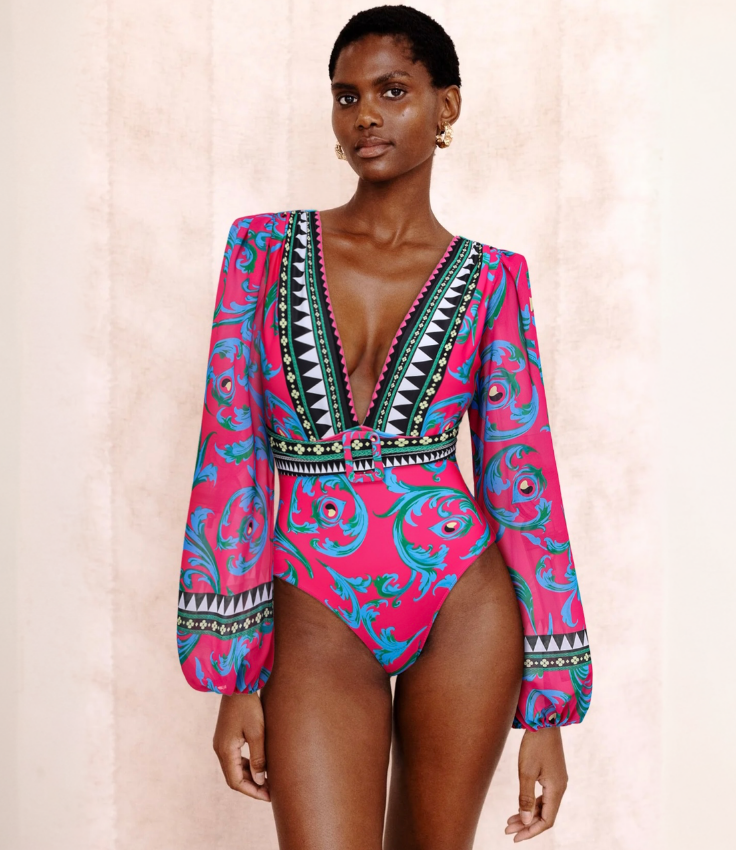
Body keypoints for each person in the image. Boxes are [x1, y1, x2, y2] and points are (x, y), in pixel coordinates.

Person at [176, 5, 592, 848]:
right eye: (347, 96)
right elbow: (231, 455)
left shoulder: (493, 279)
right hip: (312, 602)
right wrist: (234, 675)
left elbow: (522, 482)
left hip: (464, 603)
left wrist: (547, 712)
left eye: (393, 90)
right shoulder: (260, 252)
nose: (365, 114)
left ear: (447, 106)